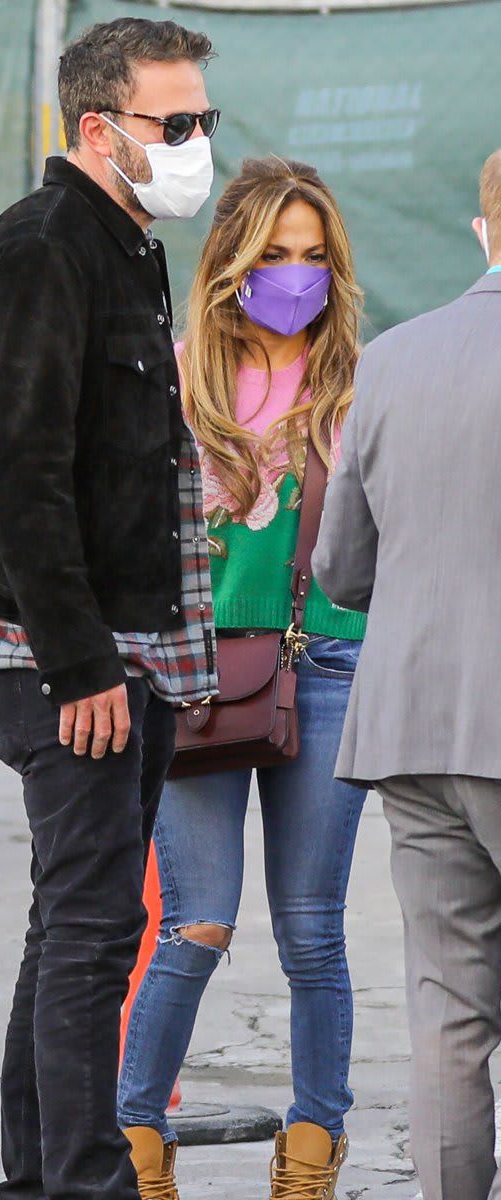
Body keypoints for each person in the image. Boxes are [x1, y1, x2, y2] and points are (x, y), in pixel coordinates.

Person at [0, 18, 219, 1200]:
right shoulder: (46, 244)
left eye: (206, 117)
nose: (199, 141)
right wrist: (82, 663)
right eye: (177, 122)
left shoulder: (125, 242)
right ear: (100, 128)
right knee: (95, 934)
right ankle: (83, 1184)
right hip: (75, 659)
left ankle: (36, 1180)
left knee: (73, 931)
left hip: (133, 646)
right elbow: (22, 470)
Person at [116, 157, 367, 1200]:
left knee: (314, 932)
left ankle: (313, 1145)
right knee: (195, 922)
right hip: (196, 671)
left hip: (333, 660)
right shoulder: (178, 375)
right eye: (275, 255)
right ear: (231, 262)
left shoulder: (365, 379)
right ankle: (133, 1140)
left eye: (314, 257)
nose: (296, 277)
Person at [313, 148, 501, 1200]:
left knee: (446, 1013)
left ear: (483, 230)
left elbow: (341, 568)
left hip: (414, 728)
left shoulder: (390, 360)